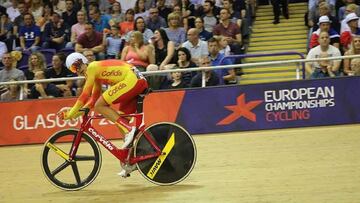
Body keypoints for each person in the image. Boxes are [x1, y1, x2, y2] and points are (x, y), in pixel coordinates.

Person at [57, 52, 148, 177]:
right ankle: (130, 161)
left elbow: (84, 95)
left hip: (131, 80)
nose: (77, 71)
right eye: (73, 69)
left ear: (82, 61)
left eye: (77, 66)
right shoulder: (95, 73)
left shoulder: (91, 68)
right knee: (121, 120)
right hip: (135, 80)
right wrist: (75, 114)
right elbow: (92, 99)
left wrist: (71, 113)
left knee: (101, 106)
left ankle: (129, 130)